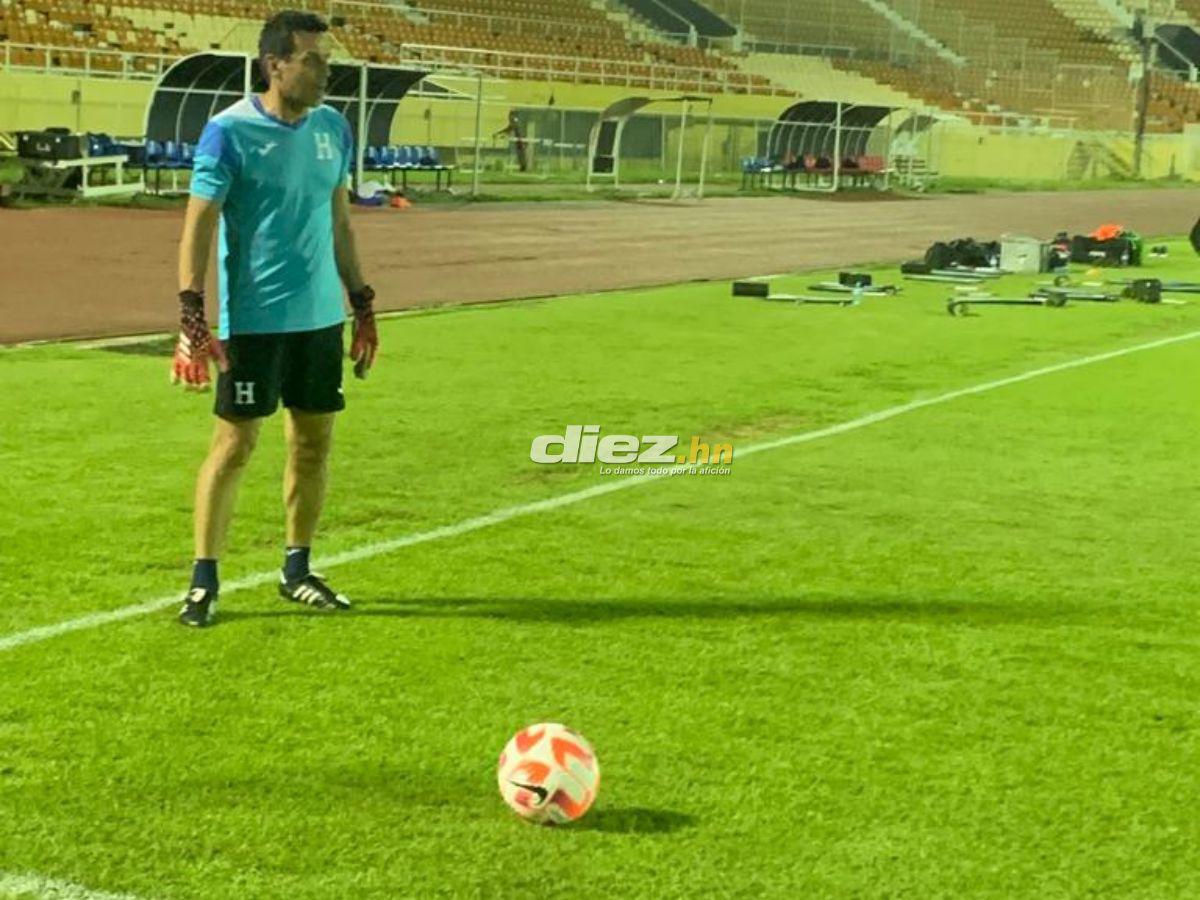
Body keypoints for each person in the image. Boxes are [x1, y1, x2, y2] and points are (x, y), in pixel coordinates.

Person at [171, 9, 378, 627]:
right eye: (312, 61)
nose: (324, 73)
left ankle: (297, 569)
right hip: (254, 321)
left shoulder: (334, 130)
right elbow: (198, 226)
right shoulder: (228, 133)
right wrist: (192, 316)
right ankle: (204, 580)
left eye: (326, 61)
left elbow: (340, 222)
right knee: (235, 444)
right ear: (275, 65)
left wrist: (361, 303)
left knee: (313, 443)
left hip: (319, 321)